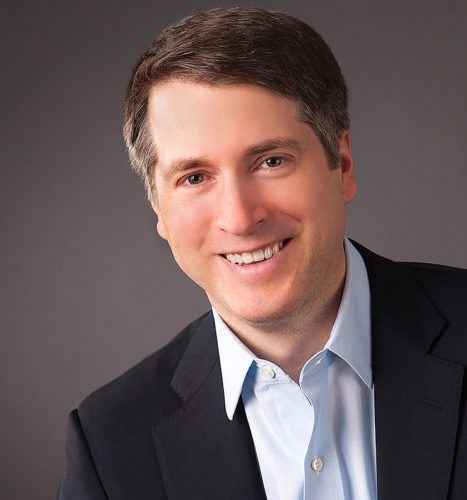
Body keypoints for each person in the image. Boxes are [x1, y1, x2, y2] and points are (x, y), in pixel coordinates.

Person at [58, 8, 467, 500]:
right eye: (194, 177)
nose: (239, 217)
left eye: (271, 161)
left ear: (342, 165)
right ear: (158, 208)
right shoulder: (109, 446)